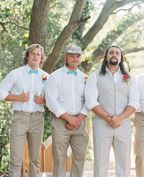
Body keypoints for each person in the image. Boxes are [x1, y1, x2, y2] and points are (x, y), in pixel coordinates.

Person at [85, 46, 139, 177]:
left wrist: (119, 119)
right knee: (100, 161)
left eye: (117, 53)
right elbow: (91, 101)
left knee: (124, 162)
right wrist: (109, 118)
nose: (114, 55)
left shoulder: (129, 78)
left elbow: (134, 102)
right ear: (106, 56)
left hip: (123, 125)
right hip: (101, 124)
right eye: (111, 52)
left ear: (121, 58)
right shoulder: (95, 76)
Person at [0, 44, 48, 177]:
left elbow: (55, 99)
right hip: (20, 118)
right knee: (15, 160)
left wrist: (43, 101)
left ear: (41, 58)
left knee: (35, 160)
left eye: (38, 54)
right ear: (27, 56)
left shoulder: (46, 76)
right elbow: (1, 91)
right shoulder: (16, 73)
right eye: (33, 53)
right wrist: (18, 97)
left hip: (38, 119)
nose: (35, 56)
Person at [45, 44, 88, 177]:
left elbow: (90, 100)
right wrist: (69, 118)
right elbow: (51, 101)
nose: (75, 58)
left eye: (77, 56)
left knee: (79, 158)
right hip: (60, 122)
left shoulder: (85, 78)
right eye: (72, 55)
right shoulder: (55, 76)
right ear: (66, 56)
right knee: (59, 158)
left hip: (80, 123)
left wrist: (78, 119)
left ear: (80, 59)